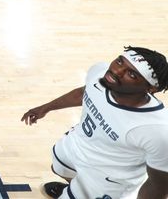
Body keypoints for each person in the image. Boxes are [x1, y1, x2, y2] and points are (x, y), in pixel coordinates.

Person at [22, 47, 168, 199]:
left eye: (131, 74)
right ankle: (73, 187)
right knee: (59, 168)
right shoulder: (100, 74)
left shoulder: (157, 130)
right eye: (119, 62)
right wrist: (46, 108)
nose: (117, 71)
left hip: (106, 179)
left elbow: (157, 186)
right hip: (78, 145)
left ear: (151, 88)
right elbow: (84, 92)